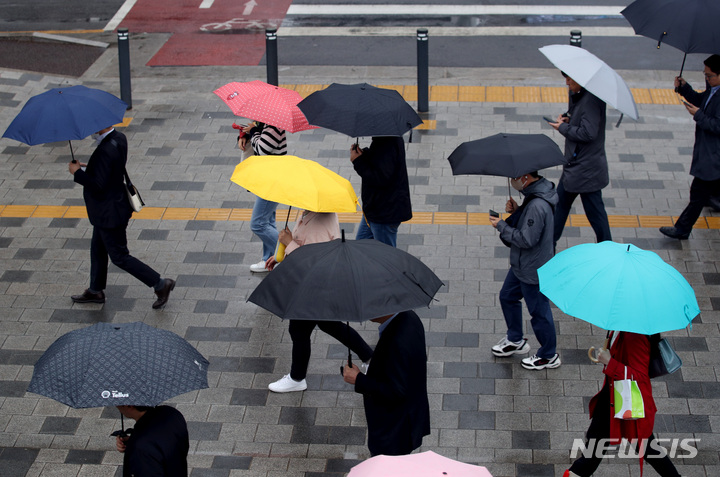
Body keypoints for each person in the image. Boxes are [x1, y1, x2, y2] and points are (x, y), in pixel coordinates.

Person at [68, 126, 175, 309]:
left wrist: (76, 172)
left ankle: (160, 283)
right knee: (98, 250)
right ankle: (95, 290)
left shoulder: (105, 150)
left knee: (119, 256)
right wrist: (91, 166)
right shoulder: (119, 138)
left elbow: (98, 185)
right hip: (111, 208)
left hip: (109, 213)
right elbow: (110, 168)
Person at [267, 210, 373, 393]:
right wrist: (280, 256)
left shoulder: (321, 221)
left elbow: (313, 261)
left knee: (300, 329)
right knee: (328, 325)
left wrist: (288, 243)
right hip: (312, 285)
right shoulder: (309, 212)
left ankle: (297, 378)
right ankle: (370, 358)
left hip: (315, 285)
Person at [564, 332, 681, 477]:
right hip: (613, 397)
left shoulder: (634, 337)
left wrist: (610, 362)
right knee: (597, 442)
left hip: (626, 400)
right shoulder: (621, 328)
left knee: (645, 446)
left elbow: (640, 377)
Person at [489, 172, 560, 370]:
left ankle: (548, 355)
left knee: (539, 311)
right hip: (523, 264)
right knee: (507, 297)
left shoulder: (537, 204)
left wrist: (501, 225)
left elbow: (526, 239)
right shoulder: (535, 196)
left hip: (533, 267)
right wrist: (519, 210)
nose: (513, 181)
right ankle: (515, 339)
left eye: (515, 178)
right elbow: (533, 225)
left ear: (526, 178)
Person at [343, 310, 430, 456]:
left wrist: (358, 379)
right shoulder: (409, 317)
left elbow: (395, 390)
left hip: (393, 430)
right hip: (406, 421)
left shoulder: (397, 340)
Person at [659, 54, 720, 240]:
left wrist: (699, 115)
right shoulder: (714, 90)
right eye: (705, 75)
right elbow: (701, 100)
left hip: (714, 155)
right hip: (709, 152)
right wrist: (684, 88)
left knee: (697, 194)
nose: (706, 79)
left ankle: (682, 228)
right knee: (706, 191)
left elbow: (717, 125)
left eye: (709, 76)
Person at [549, 72, 612, 247]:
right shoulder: (585, 96)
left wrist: (563, 128)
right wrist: (569, 120)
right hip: (579, 167)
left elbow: (588, 133)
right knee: (562, 206)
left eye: (569, 78)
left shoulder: (590, 100)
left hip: (584, 169)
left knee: (595, 213)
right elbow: (584, 122)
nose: (566, 82)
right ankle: (548, 244)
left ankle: (607, 248)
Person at [239, 121, 287, 272]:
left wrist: (253, 131)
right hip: (267, 178)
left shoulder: (274, 126)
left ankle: (287, 253)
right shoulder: (265, 123)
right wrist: (244, 134)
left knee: (258, 224)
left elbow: (261, 149)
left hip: (272, 181)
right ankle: (268, 260)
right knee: (268, 221)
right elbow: (254, 134)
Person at [350, 136, 412, 247]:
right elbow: (380, 163)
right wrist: (364, 154)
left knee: (386, 258)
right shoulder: (386, 139)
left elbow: (380, 178)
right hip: (375, 210)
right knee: (360, 247)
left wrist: (358, 161)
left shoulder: (386, 144)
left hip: (383, 213)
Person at [115, 404, 189, 477]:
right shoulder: (171, 413)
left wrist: (134, 446)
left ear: (129, 405)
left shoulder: (141, 449)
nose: (116, 406)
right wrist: (132, 442)